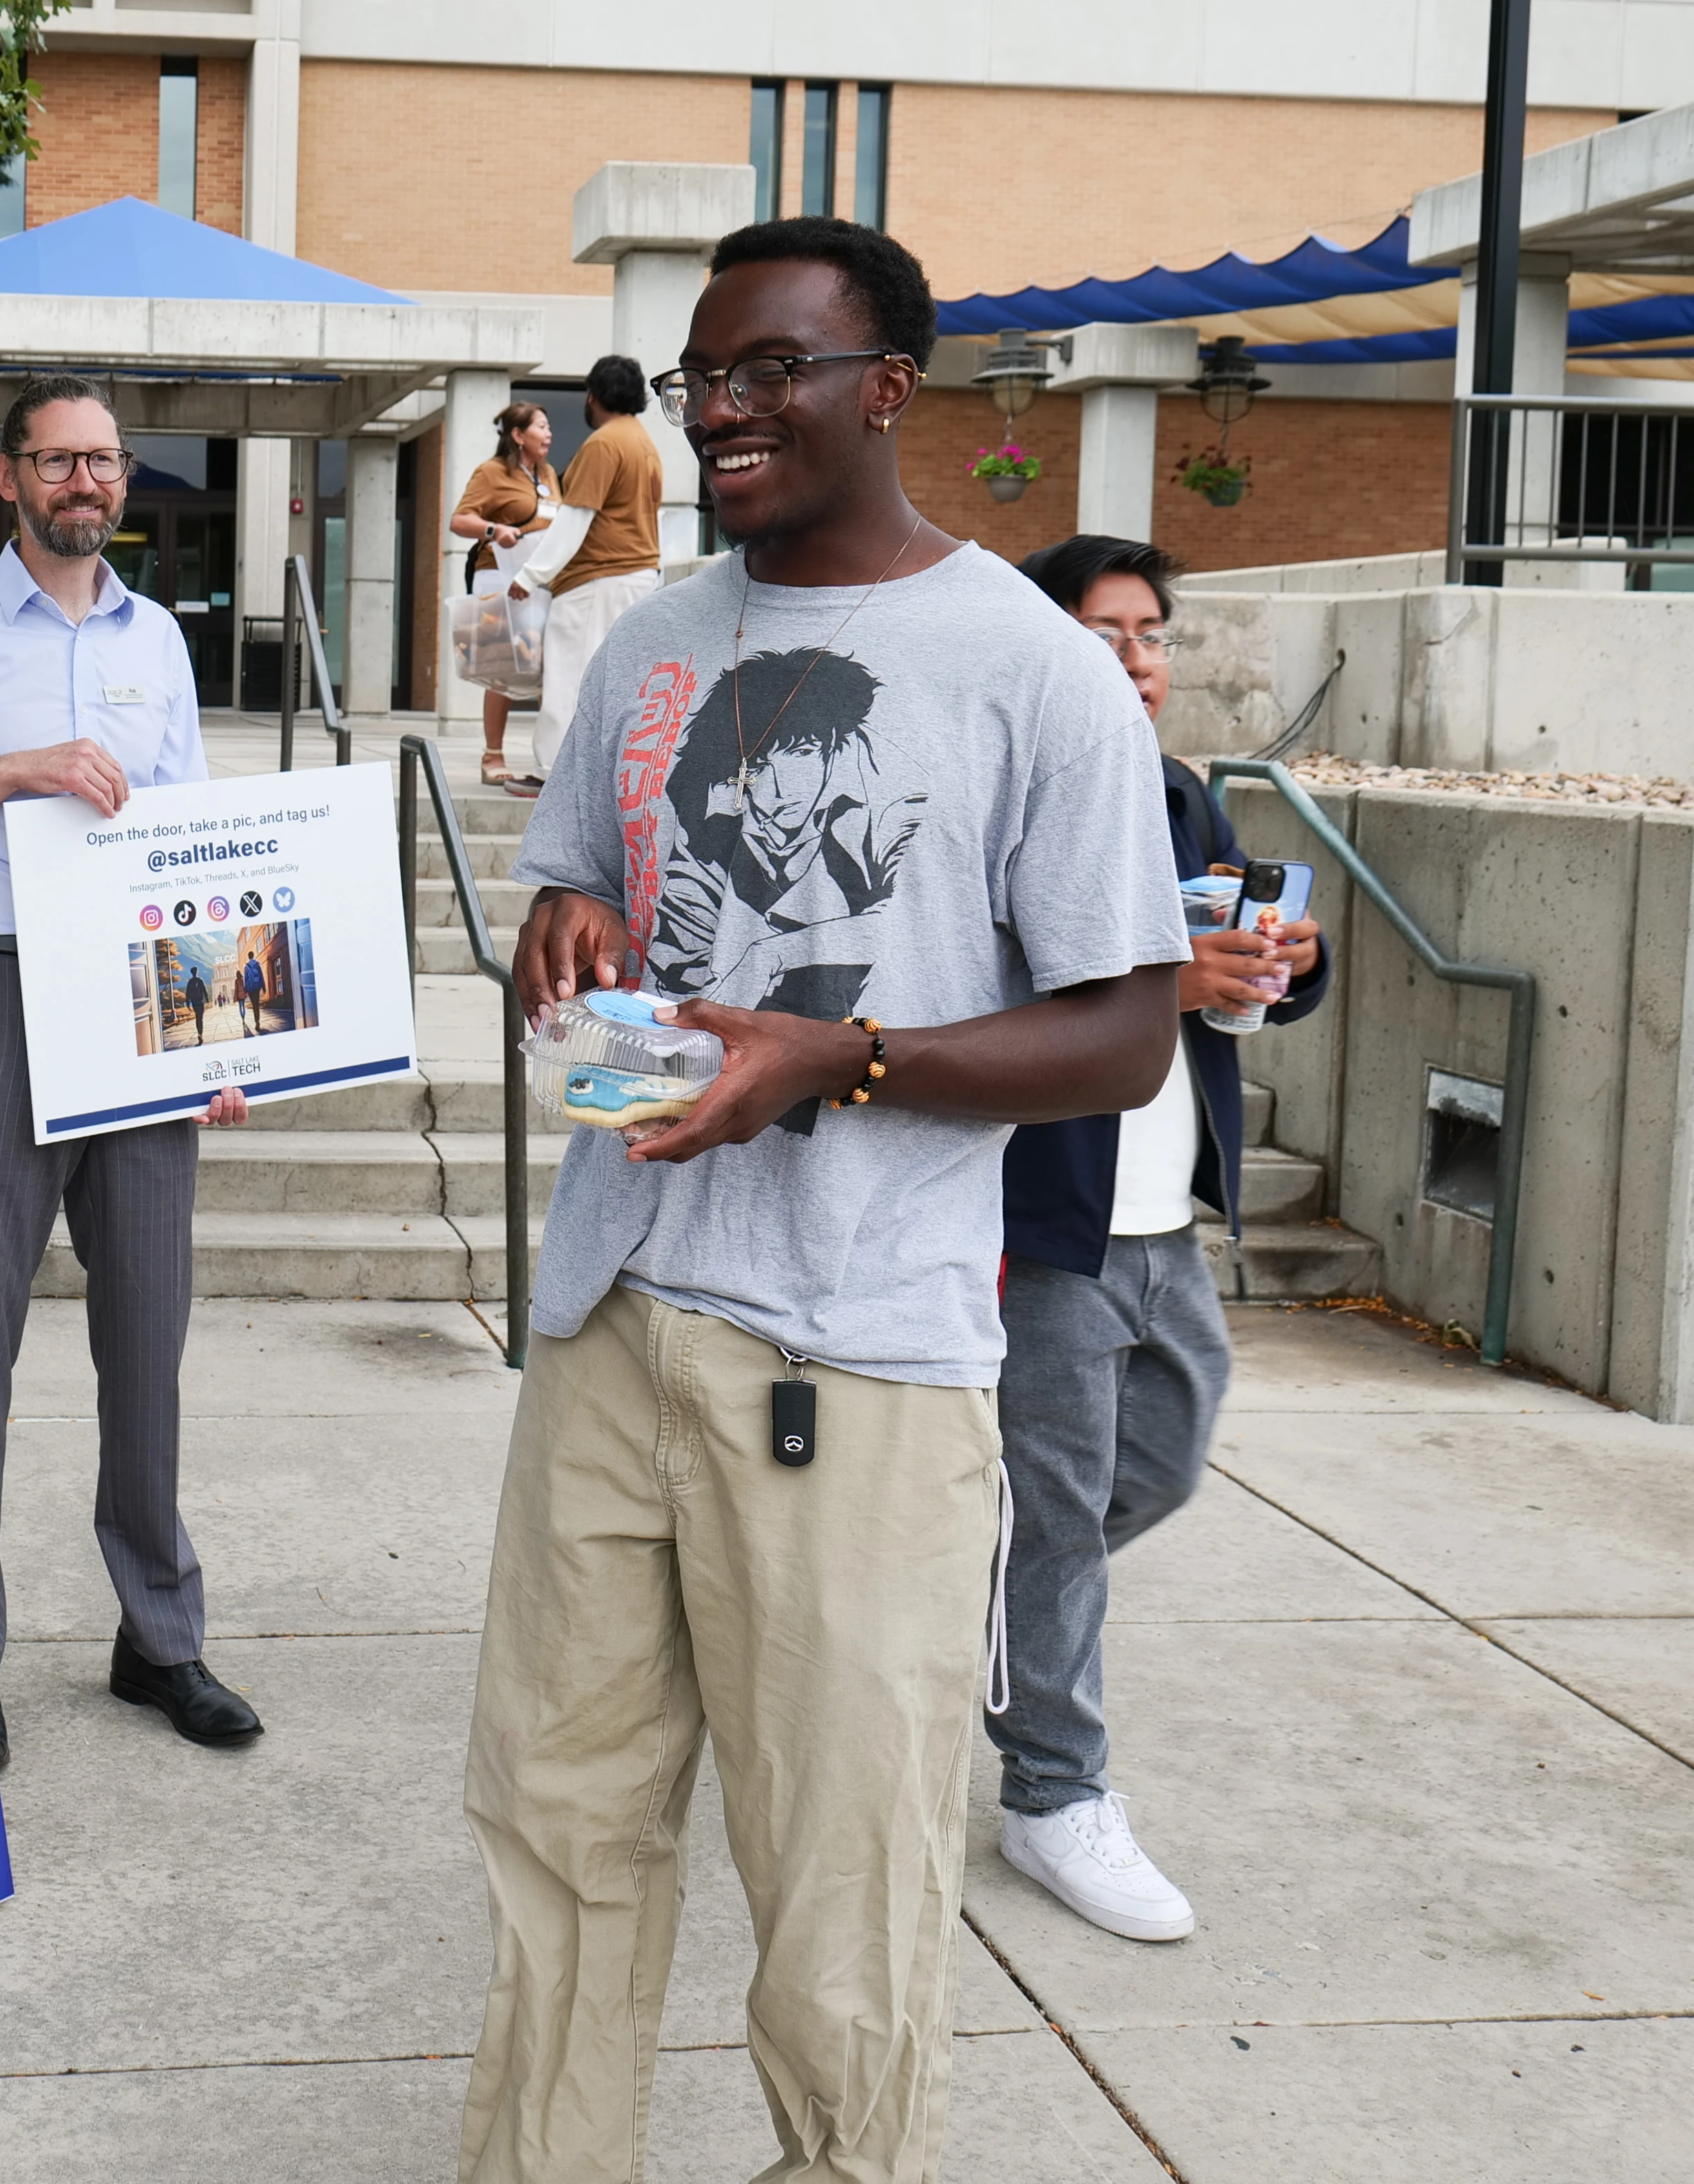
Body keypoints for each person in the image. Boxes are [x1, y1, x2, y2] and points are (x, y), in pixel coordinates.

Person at [465, 218, 1185, 2184]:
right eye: (706, 372)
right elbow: (571, 891)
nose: (724, 407)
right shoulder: (650, 640)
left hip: (858, 1359)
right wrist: (567, 918)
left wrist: (840, 1061)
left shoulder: (1033, 674)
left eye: (772, 368)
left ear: (891, 386)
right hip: (614, 1312)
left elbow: (1125, 1032)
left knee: (843, 1890)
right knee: (558, 1826)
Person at [0, 374, 263, 1769]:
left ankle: (159, 1638)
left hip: (144, 1003)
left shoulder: (158, 639)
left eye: (107, 459)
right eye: (61, 458)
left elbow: (204, 842)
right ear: (10, 477)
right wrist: (16, 770)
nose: (89, 480)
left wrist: (221, 1035)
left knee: (146, 1342)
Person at [987, 534, 1326, 1944]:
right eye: (1104, 632)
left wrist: (1269, 972)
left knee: (1165, 1457)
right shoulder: (1005, 797)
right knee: (1060, 1512)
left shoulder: (1183, 795)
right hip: (1049, 1217)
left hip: (1160, 1214)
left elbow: (1237, 972)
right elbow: (993, 993)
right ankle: (1054, 1789)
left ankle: (973, 1595)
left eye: (1151, 631)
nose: (1136, 659)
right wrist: (1161, 978)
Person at [530, 354, 663, 779]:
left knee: (569, 679)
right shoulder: (644, 442)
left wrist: (528, 575)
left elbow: (575, 519)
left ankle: (552, 775)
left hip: (598, 578)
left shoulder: (604, 443)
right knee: (619, 687)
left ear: (594, 395)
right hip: (639, 575)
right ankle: (607, 778)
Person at [449, 400, 559, 793]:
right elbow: (460, 520)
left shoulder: (547, 474)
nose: (549, 434)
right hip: (498, 576)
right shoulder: (492, 472)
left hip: (537, 580)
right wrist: (495, 530)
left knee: (546, 664)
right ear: (518, 435)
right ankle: (492, 755)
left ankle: (549, 758)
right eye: (542, 427)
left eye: (549, 428)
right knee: (504, 663)